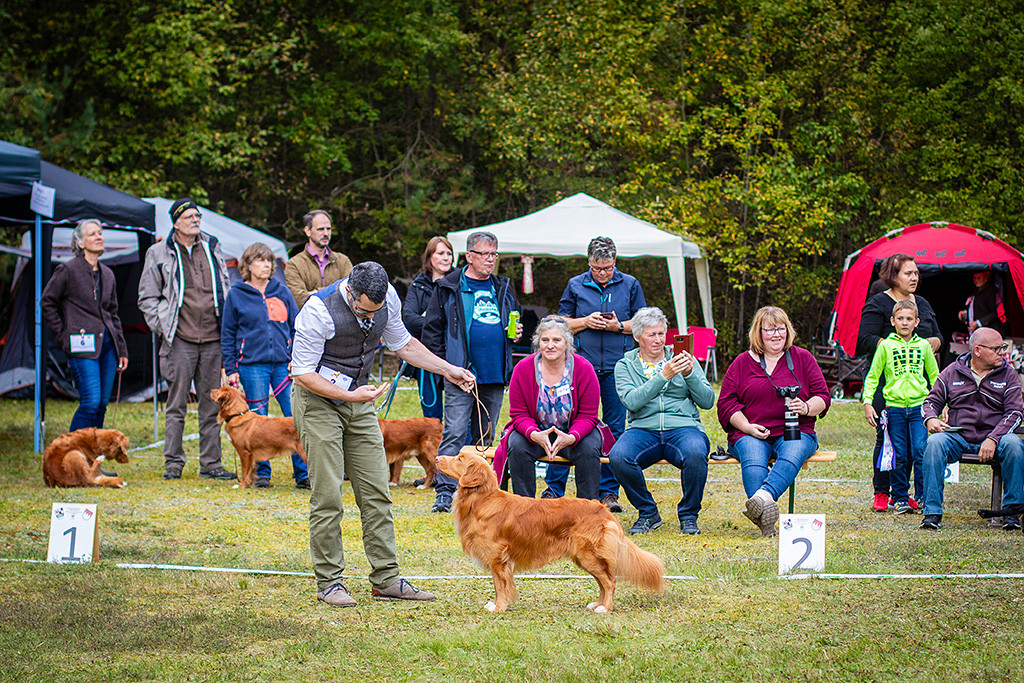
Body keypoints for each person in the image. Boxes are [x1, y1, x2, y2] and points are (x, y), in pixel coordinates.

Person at [290, 261, 475, 607]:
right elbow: (300, 373)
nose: (366, 319)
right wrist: (350, 396)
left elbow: (403, 345)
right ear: (349, 290)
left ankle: (386, 579)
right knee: (329, 493)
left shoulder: (386, 297)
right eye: (362, 310)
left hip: (358, 398)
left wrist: (448, 370)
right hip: (317, 401)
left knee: (376, 491)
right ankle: (330, 582)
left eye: (372, 313)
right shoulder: (317, 310)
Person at [543, 236, 646, 511]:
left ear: (615, 263)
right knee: (566, 422)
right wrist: (585, 322)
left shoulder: (630, 284)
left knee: (613, 430)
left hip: (617, 367)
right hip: (580, 367)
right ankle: (554, 489)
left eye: (608, 268)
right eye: (597, 268)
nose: (602, 273)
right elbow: (559, 323)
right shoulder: (575, 284)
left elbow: (642, 325)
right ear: (589, 263)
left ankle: (608, 493)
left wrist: (617, 326)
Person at [422, 231, 522, 513]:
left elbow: (514, 321)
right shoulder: (448, 287)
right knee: (454, 431)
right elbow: (432, 333)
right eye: (485, 254)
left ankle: (478, 491)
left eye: (494, 254)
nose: (491, 260)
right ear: (469, 256)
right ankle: (444, 491)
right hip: (459, 373)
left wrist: (514, 334)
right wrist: (447, 368)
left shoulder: (502, 286)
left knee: (484, 437)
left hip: (494, 372)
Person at [138, 198, 236, 481]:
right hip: (179, 339)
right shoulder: (159, 252)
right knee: (176, 404)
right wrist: (164, 325)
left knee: (211, 403)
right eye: (190, 216)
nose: (196, 220)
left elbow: (225, 286)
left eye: (198, 215)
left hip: (213, 337)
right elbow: (147, 297)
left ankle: (211, 464)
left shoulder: (212, 246)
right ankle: (173, 463)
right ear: (176, 222)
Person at [717, 306, 831, 537]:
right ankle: (765, 517)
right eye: (769, 330)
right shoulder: (741, 363)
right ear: (758, 333)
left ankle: (762, 498)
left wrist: (806, 407)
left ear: (788, 331)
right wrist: (747, 426)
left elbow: (823, 396)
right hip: (751, 431)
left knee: (794, 449)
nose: (776, 335)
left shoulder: (802, 358)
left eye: (781, 329)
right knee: (752, 455)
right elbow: (726, 404)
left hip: (795, 428)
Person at [607, 307, 714, 536]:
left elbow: (707, 401)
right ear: (637, 336)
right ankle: (648, 512)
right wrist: (663, 376)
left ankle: (688, 515)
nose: (658, 340)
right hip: (643, 428)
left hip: (684, 426)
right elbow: (632, 401)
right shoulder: (625, 365)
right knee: (618, 456)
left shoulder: (683, 358)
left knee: (696, 452)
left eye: (661, 334)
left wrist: (689, 374)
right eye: (651, 335)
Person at [857, 253, 942, 511]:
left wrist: (930, 345)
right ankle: (882, 492)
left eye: (916, 273)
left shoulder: (922, 304)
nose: (914, 277)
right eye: (908, 273)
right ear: (893, 276)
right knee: (888, 441)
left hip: (917, 386)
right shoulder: (878, 303)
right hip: (887, 383)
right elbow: (863, 339)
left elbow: (937, 336)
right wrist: (893, 347)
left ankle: (904, 494)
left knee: (916, 445)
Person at [221, 242, 308, 489]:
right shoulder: (236, 294)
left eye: (269, 260)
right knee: (256, 422)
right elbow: (227, 334)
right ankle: (261, 474)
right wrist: (231, 368)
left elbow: (297, 327)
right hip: (251, 364)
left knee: (296, 417)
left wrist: (296, 360)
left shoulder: (282, 291)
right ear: (246, 266)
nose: (267, 264)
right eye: (260, 260)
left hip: (284, 365)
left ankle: (303, 473)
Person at [920, 327, 1024, 531]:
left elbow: (1015, 413)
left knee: (1014, 444)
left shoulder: (1008, 374)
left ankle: (1012, 513)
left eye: (1003, 347)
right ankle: (932, 513)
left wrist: (993, 438)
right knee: (934, 442)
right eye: (997, 348)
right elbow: (930, 402)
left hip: (997, 437)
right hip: (959, 436)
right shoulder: (952, 371)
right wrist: (931, 419)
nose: (1003, 352)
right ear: (978, 350)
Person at [41, 219, 129, 432]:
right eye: (92, 234)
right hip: (81, 345)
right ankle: (71, 454)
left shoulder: (108, 274)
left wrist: (121, 349)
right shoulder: (67, 270)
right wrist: (63, 337)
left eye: (100, 233)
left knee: (101, 406)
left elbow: (113, 314)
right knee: (90, 402)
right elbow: (47, 302)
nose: (99, 237)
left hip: (108, 347)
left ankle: (92, 462)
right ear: (80, 243)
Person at [503, 316, 602, 499]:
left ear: (567, 343)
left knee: (589, 448)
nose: (550, 345)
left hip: (573, 434)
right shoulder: (523, 368)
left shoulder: (584, 368)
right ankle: (525, 510)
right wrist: (534, 434)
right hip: (536, 433)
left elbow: (589, 416)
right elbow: (518, 414)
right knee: (516, 444)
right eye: (545, 340)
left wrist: (571, 437)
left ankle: (587, 512)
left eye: (557, 340)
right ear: (538, 343)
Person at [402, 236, 454, 420]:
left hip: (455, 355)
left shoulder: (459, 282)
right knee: (432, 414)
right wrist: (443, 322)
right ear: (430, 257)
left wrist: (428, 319)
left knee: (459, 412)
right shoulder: (418, 286)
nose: (446, 258)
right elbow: (409, 319)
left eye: (449, 253)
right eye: (440, 253)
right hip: (427, 355)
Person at [284, 209, 353, 309]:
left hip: (339, 323)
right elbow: (300, 301)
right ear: (308, 231)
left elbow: (351, 294)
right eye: (320, 229)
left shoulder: (343, 261)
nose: (326, 233)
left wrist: (315, 292)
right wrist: (336, 291)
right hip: (309, 323)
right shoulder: (294, 264)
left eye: (328, 229)